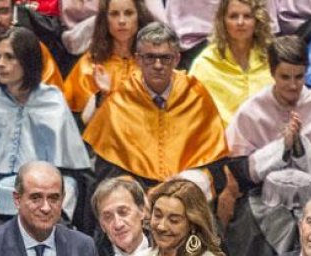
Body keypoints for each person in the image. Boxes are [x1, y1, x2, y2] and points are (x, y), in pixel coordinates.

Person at [223, 35, 311, 256]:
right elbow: (241, 170)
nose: (293, 85)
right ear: (272, 73)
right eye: (285, 77)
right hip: (261, 195)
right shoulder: (254, 109)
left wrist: (299, 145)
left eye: (299, 77)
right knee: (249, 231)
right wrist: (281, 147)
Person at [0, 27, 90, 232]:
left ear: (28, 61)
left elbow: (70, 170)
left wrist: (58, 207)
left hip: (47, 202)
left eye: (10, 57)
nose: (1, 64)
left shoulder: (53, 101)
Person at [84, 22, 228, 187]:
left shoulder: (195, 94)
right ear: (138, 59)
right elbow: (108, 167)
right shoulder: (121, 98)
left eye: (165, 58)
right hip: (135, 195)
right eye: (150, 57)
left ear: (176, 59)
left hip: (186, 194)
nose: (158, 65)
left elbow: (214, 165)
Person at [188, 0, 274, 124]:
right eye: (233, 16)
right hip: (221, 140)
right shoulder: (204, 64)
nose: (240, 22)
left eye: (247, 16)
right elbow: (192, 114)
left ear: (257, 20)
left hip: (267, 138)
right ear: (222, 21)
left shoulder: (272, 58)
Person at [61, 0, 148, 121]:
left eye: (128, 13)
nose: (122, 21)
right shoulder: (89, 64)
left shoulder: (153, 62)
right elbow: (82, 125)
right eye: (114, 14)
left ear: (139, 17)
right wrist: (102, 96)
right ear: (105, 20)